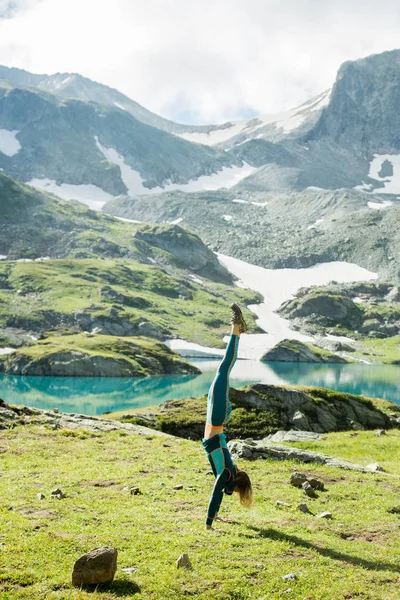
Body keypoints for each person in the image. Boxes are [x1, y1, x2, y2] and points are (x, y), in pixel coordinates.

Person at [202, 303, 253, 530]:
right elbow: (218, 492)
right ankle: (236, 327)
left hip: (215, 417)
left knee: (223, 369)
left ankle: (237, 328)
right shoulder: (226, 473)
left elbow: (219, 492)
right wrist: (209, 522)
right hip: (217, 417)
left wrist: (212, 519)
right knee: (225, 367)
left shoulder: (227, 474)